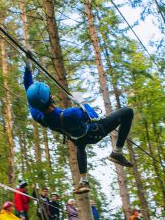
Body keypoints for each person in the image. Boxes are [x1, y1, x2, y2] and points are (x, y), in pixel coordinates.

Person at [23, 52, 134, 194]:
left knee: (80, 145)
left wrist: (28, 67)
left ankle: (84, 180)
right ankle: (117, 152)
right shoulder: (70, 114)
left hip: (77, 139)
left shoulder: (38, 115)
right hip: (95, 132)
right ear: (50, 98)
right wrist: (82, 102)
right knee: (128, 112)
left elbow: (29, 90)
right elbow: (94, 117)